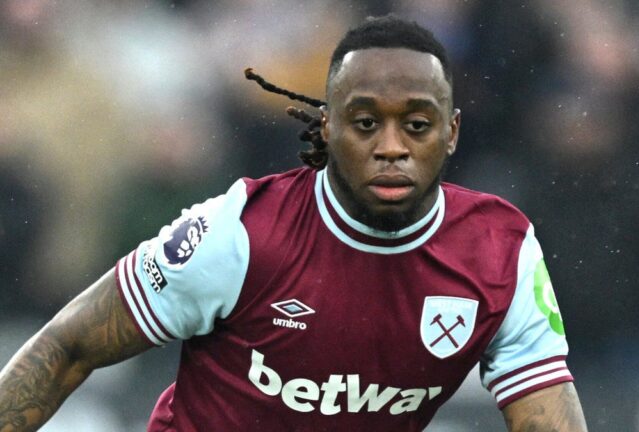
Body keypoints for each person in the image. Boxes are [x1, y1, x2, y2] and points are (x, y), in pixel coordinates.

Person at [0, 16, 588, 432]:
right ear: (327, 127)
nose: (391, 147)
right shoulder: (238, 234)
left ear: (452, 132)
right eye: (365, 123)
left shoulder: (501, 254)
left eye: (416, 125)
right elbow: (68, 346)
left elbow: (546, 416)